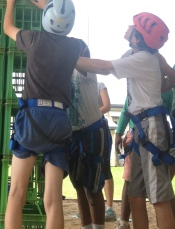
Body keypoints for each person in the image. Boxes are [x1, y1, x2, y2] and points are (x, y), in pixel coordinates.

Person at [76, 12, 175, 229]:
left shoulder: (144, 59)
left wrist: (66, 57)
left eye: (133, 26)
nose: (128, 27)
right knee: (136, 194)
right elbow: (110, 68)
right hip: (142, 128)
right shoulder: (135, 55)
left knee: (159, 197)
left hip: (151, 128)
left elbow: (104, 67)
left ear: (138, 37)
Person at [0, 0, 82, 229]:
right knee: (54, 199)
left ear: (46, 17)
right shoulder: (74, 46)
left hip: (33, 118)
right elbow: (55, 37)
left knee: (17, 192)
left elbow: (7, 28)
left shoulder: (32, 39)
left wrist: (11, 1)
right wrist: (46, 6)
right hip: (59, 120)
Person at [115, 89, 174, 229]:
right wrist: (119, 131)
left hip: (155, 134)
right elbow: (126, 106)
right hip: (137, 135)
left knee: (161, 193)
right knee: (134, 191)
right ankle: (124, 221)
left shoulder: (164, 85)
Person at [68, 41, 110, 229]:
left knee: (93, 189)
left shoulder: (86, 67)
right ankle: (86, 226)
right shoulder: (65, 71)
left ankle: (98, 226)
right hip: (73, 135)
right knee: (78, 185)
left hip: (93, 133)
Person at [98, 82, 116, 222]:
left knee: (105, 168)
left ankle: (109, 208)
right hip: (82, 130)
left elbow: (107, 105)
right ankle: (89, 206)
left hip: (99, 129)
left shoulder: (99, 84)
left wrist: (89, 114)